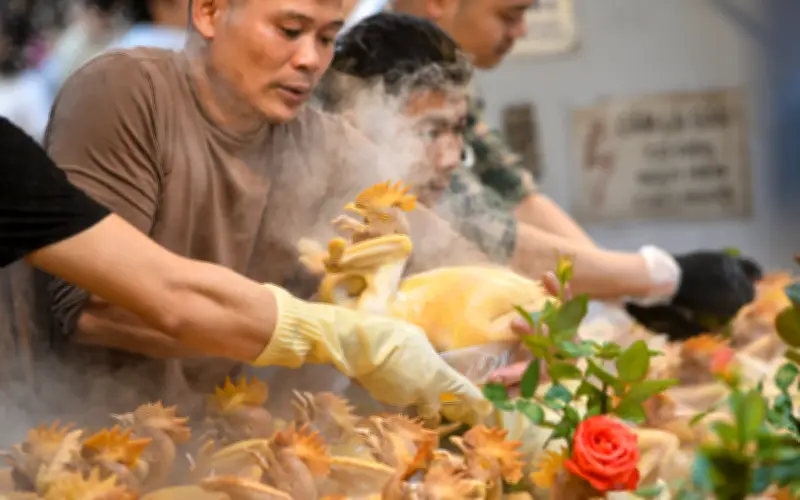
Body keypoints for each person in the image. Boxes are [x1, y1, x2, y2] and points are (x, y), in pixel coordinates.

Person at [4, 0, 495, 419]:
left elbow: (446, 251)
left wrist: (511, 315)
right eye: (290, 31)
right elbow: (102, 308)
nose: (310, 60)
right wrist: (332, 334)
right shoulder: (126, 90)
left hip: (216, 450)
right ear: (210, 11)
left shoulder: (323, 143)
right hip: (67, 438)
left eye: (327, 38)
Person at [316, 10, 762, 340]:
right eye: (509, 14)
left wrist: (627, 296)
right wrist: (657, 276)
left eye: (457, 132)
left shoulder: (441, 84)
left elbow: (516, 196)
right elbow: (483, 231)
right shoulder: (349, 99)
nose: (451, 158)